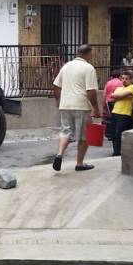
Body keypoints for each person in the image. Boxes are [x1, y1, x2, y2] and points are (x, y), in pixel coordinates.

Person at [52, 44, 101, 172]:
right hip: (81, 105)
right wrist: (96, 108)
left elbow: (56, 86)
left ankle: (59, 154)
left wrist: (58, 100)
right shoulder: (89, 68)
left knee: (65, 132)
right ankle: (79, 164)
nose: (91, 56)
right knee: (84, 136)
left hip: (65, 104)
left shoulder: (66, 66)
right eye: (91, 54)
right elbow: (91, 91)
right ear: (87, 54)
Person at [111, 70, 133, 156]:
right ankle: (115, 151)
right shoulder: (119, 88)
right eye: (122, 78)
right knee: (113, 134)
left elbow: (117, 96)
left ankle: (118, 152)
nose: (124, 80)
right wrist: (121, 95)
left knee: (119, 134)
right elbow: (113, 97)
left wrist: (118, 95)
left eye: (126, 79)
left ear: (131, 80)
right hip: (115, 112)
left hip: (124, 114)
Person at [103, 69, 123, 141]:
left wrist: (104, 104)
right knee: (117, 118)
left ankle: (111, 134)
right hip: (117, 102)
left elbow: (104, 94)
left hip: (109, 102)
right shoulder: (121, 83)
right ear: (119, 76)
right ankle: (115, 134)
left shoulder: (108, 83)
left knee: (111, 118)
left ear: (112, 76)